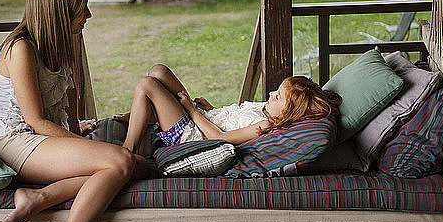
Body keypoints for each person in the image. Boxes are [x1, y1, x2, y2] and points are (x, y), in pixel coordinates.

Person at [0, 0, 135, 222]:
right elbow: (35, 121)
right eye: (82, 7)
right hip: (18, 140)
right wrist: (89, 147)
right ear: (59, 9)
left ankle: (38, 197)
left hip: (46, 138)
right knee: (119, 162)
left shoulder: (64, 42)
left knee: (136, 166)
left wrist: (77, 133)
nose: (88, 14)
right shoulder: (20, 48)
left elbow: (68, 104)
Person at [119, 64, 342, 153]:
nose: (271, 94)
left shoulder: (262, 127)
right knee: (158, 72)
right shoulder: (264, 110)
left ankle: (128, 148)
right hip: (204, 118)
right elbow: (233, 120)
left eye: (278, 97)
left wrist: (192, 110)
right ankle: (149, 113)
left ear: (286, 113)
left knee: (146, 84)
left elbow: (220, 137)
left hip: (193, 136)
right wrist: (213, 110)